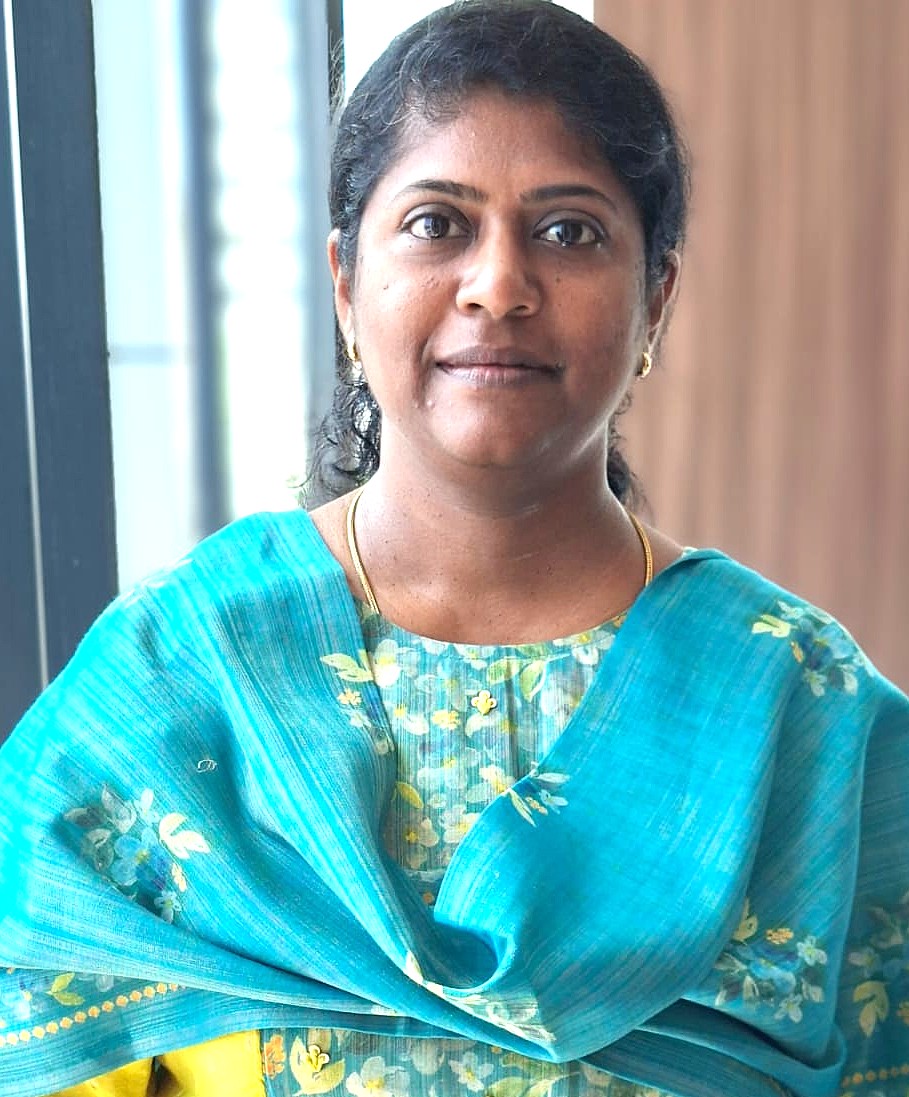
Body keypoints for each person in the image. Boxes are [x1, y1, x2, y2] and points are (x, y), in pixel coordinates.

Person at [1, 2, 906, 1095]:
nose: (499, 286)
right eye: (437, 224)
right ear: (346, 283)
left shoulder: (801, 708)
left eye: (568, 232)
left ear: (656, 296)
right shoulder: (176, 677)